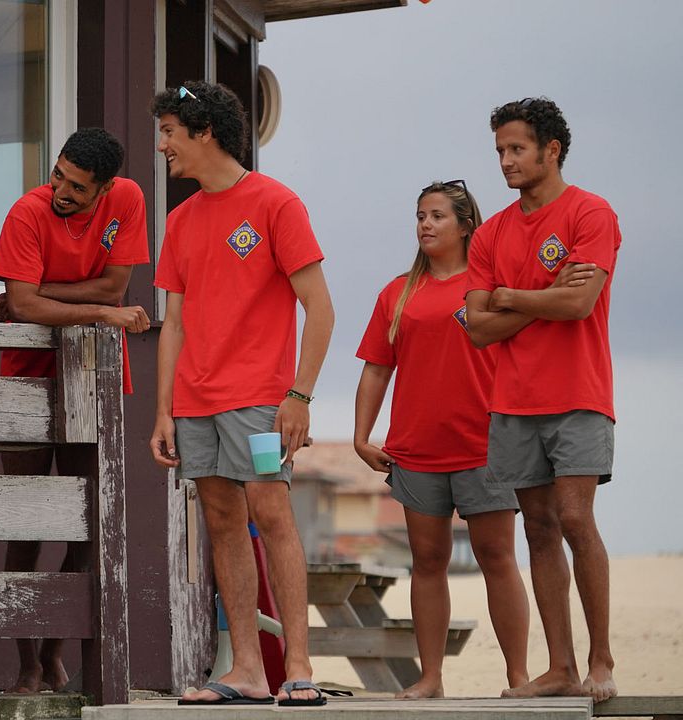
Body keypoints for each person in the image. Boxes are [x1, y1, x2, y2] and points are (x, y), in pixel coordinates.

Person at [149, 81, 335, 707]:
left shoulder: (276, 204)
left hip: (260, 400)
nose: (162, 144)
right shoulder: (179, 219)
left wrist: (300, 396)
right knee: (223, 523)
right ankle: (249, 671)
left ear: (205, 131)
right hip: (196, 404)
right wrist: (164, 411)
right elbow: (171, 323)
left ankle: (299, 667)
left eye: (171, 131)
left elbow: (321, 309)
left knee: (271, 512)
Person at [465, 97, 621, 702]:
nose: (505, 161)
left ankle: (600, 661)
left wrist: (509, 297)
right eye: (500, 150)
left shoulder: (591, 213)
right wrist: (537, 295)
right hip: (512, 400)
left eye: (517, 149)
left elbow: (578, 305)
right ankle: (559, 666)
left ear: (551, 150)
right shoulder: (493, 233)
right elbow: (477, 328)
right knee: (538, 529)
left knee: (577, 518)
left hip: (580, 393)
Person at [0, 126, 150, 693]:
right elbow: (31, 305)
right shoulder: (25, 212)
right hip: (24, 382)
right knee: (26, 529)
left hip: (93, 382)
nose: (61, 191)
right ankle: (26, 662)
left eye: (78, 188)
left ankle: (55, 652)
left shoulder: (128, 198)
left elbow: (115, 284)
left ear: (105, 188)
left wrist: (42, 293)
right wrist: (99, 310)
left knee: (85, 530)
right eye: (59, 175)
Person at [354, 180, 530, 698]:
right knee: (427, 563)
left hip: (487, 445)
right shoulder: (398, 292)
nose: (425, 225)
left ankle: (518, 677)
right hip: (416, 450)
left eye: (437, 216)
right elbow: (375, 369)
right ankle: (430, 678)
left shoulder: (491, 285)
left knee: (497, 558)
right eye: (420, 216)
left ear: (464, 224)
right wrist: (363, 437)